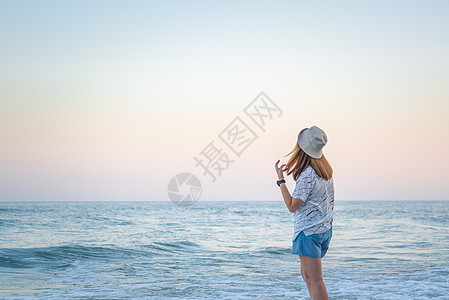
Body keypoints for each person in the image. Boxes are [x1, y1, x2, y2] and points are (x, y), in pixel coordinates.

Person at [274, 126, 334, 300]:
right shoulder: (325, 171)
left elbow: (292, 206)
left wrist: (280, 181)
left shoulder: (308, 174)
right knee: (310, 278)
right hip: (323, 230)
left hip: (308, 232)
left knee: (314, 280)